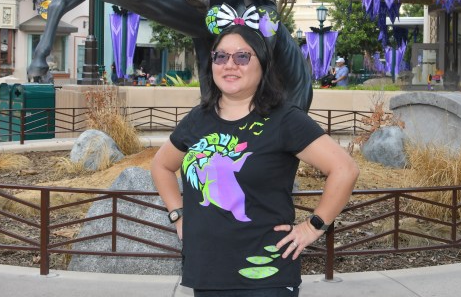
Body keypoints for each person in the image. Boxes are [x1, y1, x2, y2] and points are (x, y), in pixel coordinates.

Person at [151, 24, 358, 296]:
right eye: (221, 56)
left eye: (242, 56)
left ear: (263, 65)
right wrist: (178, 214)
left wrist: (313, 226)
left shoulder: (284, 119)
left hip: (265, 274)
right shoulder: (197, 120)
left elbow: (345, 169)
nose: (229, 65)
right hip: (207, 271)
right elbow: (161, 166)